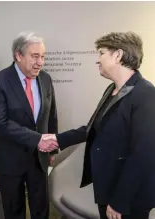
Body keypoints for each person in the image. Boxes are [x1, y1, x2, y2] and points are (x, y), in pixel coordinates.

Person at [46, 31, 155, 219]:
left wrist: (120, 201)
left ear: (118, 55)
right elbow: (93, 129)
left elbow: (143, 155)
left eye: (102, 53)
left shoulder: (145, 94)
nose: (98, 60)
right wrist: (56, 139)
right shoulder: (112, 89)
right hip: (106, 186)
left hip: (129, 197)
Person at [0, 31, 59, 219]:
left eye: (43, 56)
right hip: (10, 158)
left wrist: (51, 149)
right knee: (14, 211)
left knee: (41, 209)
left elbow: (51, 116)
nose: (40, 62)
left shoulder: (45, 79)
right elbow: (0, 123)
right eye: (35, 56)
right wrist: (38, 140)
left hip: (39, 158)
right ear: (18, 55)